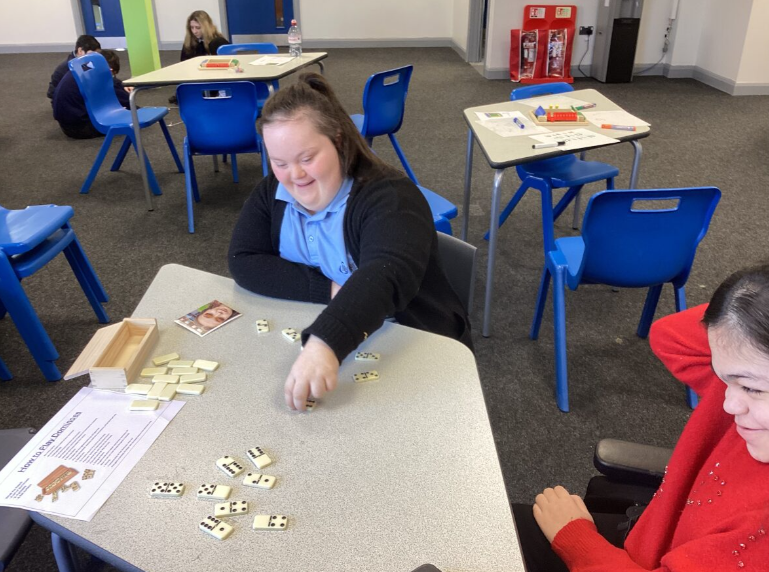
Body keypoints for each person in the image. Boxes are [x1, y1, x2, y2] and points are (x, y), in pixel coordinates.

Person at [228, 72, 472, 411]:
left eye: (307, 158)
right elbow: (243, 259)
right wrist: (329, 289)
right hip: (341, 330)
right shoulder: (272, 192)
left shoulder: (390, 197)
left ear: (338, 141)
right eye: (279, 162)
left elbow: (385, 274)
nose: (294, 176)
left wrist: (325, 342)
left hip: (415, 338)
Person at [513, 263, 769, 571]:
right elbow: (670, 336)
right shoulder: (750, 398)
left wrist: (575, 538)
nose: (728, 405)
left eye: (752, 388)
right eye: (723, 378)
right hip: (652, 536)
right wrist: (750, 312)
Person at [52, 50, 130, 139]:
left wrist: (120, 85)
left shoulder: (84, 67)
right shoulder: (99, 76)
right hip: (81, 127)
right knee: (127, 117)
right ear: (110, 70)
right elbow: (126, 102)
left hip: (67, 123)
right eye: (113, 75)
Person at [47, 34, 101, 102]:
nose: (94, 58)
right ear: (80, 51)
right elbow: (51, 93)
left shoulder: (85, 62)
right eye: (92, 54)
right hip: (67, 100)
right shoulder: (66, 68)